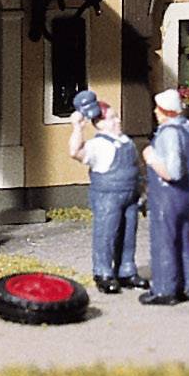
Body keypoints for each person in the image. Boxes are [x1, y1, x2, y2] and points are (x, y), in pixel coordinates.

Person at [66, 88, 141, 294]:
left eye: (117, 117)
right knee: (106, 234)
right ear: (99, 123)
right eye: (112, 119)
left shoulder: (126, 141)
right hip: (108, 195)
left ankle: (126, 270)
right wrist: (77, 127)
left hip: (131, 194)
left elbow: (137, 168)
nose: (117, 122)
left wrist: (142, 191)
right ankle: (103, 272)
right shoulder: (98, 144)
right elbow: (75, 152)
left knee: (128, 235)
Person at [140, 88, 189, 304]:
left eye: (158, 109)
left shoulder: (169, 133)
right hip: (187, 190)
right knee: (184, 237)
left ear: (167, 111)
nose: (155, 112)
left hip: (167, 193)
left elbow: (172, 172)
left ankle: (165, 289)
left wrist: (150, 158)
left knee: (164, 239)